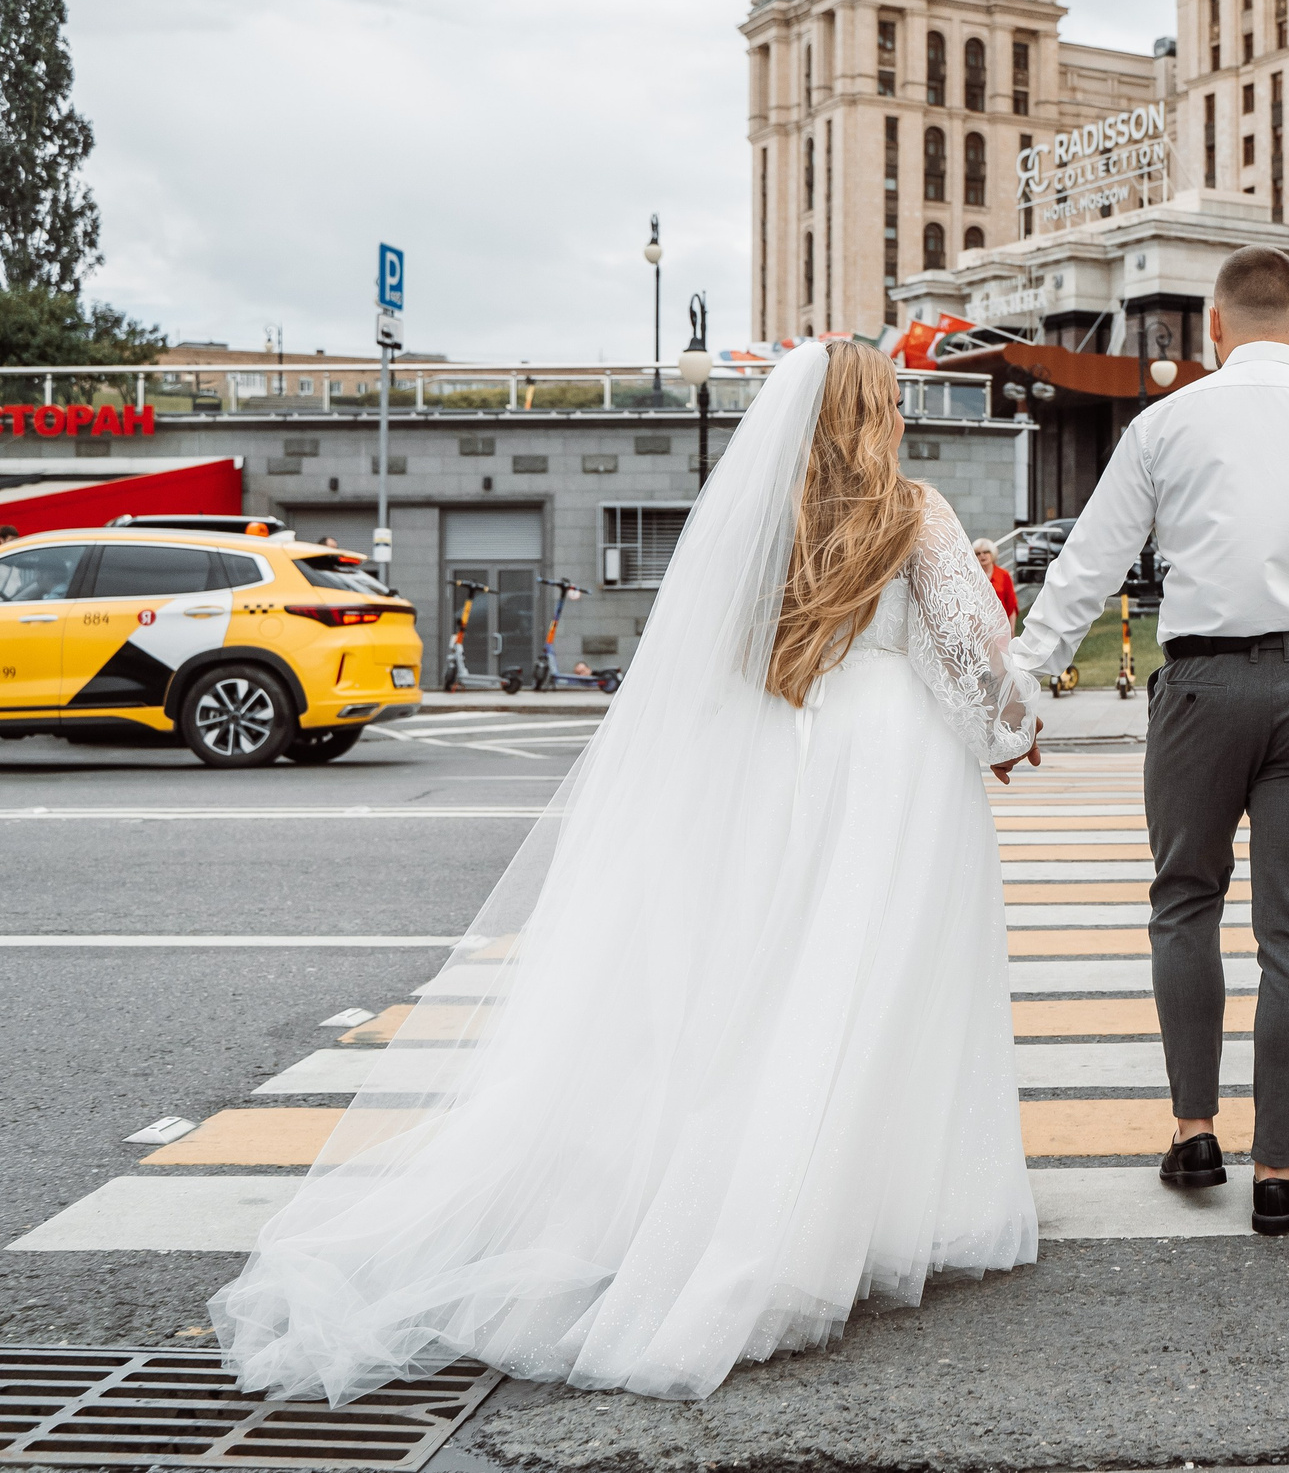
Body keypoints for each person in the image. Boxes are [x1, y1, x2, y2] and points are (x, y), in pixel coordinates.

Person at [210, 339, 1042, 1403]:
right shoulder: (912, 510)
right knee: (874, 984)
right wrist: (1016, 732)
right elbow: (970, 659)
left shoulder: (760, 513)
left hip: (776, 754)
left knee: (772, 982)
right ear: (875, 411)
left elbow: (713, 657)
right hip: (892, 764)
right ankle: (854, 1205)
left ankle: (723, 1190)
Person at [1011, 244, 1289, 1236]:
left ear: (1213, 328)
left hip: (1200, 685)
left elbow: (1091, 561)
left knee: (1184, 902)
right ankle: (1279, 1172)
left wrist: (1028, 680)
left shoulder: (1164, 423)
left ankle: (1194, 1130)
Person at [974, 537, 1017, 622]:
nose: (982, 555)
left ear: (992, 553)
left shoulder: (1004, 574)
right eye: (978, 553)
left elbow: (1011, 604)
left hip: (1001, 623)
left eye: (986, 552)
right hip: (980, 623)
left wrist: (1011, 630)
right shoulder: (973, 576)